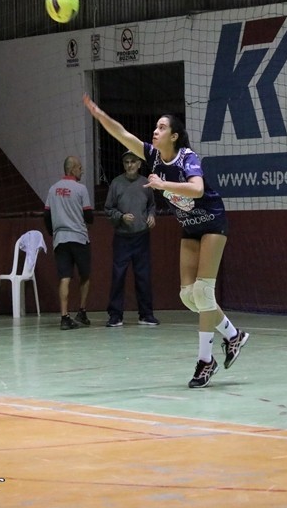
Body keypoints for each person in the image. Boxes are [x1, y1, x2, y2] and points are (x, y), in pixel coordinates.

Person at [83, 93, 249, 388]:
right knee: (188, 296)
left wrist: (162, 184)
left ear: (174, 135)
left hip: (212, 222)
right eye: (155, 127)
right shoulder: (153, 156)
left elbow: (197, 190)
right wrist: (99, 116)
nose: (155, 131)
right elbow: (122, 134)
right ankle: (233, 335)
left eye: (162, 127)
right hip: (190, 227)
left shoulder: (187, 157)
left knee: (204, 291)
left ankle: (205, 361)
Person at [104, 150, 158, 327]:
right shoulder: (116, 183)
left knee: (143, 276)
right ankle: (115, 315)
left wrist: (152, 215)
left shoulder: (146, 183)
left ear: (139, 164)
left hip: (141, 237)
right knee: (118, 276)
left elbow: (151, 205)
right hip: (122, 238)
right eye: (126, 162)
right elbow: (108, 209)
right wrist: (120, 217)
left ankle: (146, 314)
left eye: (133, 162)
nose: (129, 165)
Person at [44, 156, 93, 330]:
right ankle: (82, 311)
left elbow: (47, 216)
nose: (82, 170)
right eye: (80, 167)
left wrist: (53, 233)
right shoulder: (81, 189)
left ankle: (64, 317)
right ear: (72, 169)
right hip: (79, 238)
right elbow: (89, 216)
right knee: (85, 275)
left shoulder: (52, 189)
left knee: (64, 277)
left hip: (60, 240)